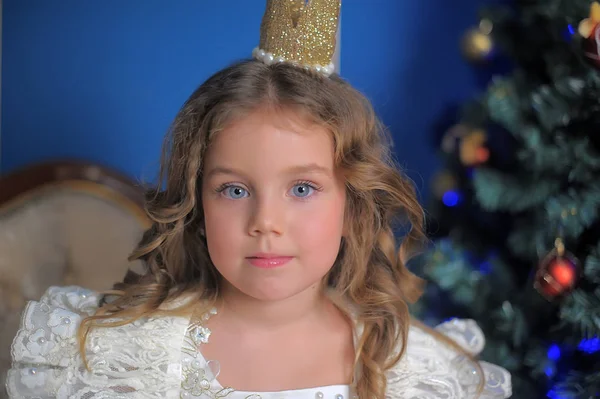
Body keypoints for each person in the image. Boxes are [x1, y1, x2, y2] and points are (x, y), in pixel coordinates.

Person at [6, 1, 512, 398]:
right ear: (198, 205)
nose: (265, 222)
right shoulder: (113, 358)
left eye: (302, 188)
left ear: (351, 205)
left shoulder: (418, 372)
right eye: (235, 189)